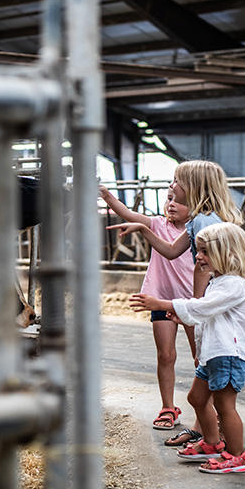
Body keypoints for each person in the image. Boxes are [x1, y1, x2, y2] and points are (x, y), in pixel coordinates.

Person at [107, 160, 244, 446]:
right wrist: (143, 230)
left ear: (193, 187)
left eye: (175, 181)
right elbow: (170, 251)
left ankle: (220, 443)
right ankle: (205, 433)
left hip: (208, 301)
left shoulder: (207, 222)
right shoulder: (199, 220)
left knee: (205, 365)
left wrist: (193, 305)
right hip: (199, 302)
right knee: (199, 373)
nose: (171, 187)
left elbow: (205, 267)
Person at [130, 222, 245, 473]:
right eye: (198, 250)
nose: (198, 256)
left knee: (225, 406)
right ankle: (212, 444)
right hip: (213, 354)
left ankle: (236, 456)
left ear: (229, 254)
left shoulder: (235, 284)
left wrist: (162, 303)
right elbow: (207, 312)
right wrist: (184, 317)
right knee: (196, 398)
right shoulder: (218, 282)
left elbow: (202, 308)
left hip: (228, 355)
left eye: (204, 251)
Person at [99, 184, 196, 431]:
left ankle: (209, 407)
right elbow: (127, 214)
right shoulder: (157, 224)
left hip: (192, 301)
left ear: (195, 205)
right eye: (170, 199)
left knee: (201, 358)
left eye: (179, 201)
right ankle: (167, 407)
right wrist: (106, 195)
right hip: (160, 298)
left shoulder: (199, 228)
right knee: (166, 355)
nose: (172, 204)